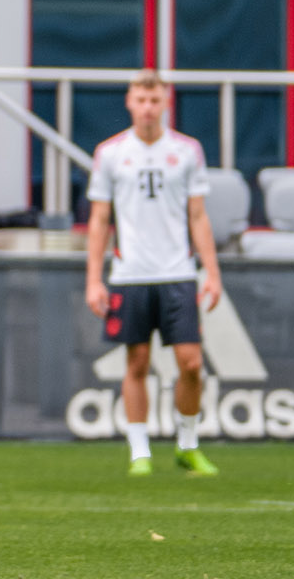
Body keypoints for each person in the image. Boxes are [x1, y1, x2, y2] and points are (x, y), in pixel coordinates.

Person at [84, 70, 223, 476]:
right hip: (130, 275)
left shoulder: (187, 151)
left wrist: (211, 272)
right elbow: (98, 219)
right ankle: (139, 452)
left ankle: (188, 444)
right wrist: (94, 278)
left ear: (165, 103)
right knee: (137, 363)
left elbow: (198, 215)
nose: (147, 108)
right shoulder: (110, 153)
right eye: (140, 100)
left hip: (177, 272)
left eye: (154, 101)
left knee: (191, 363)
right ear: (130, 103)